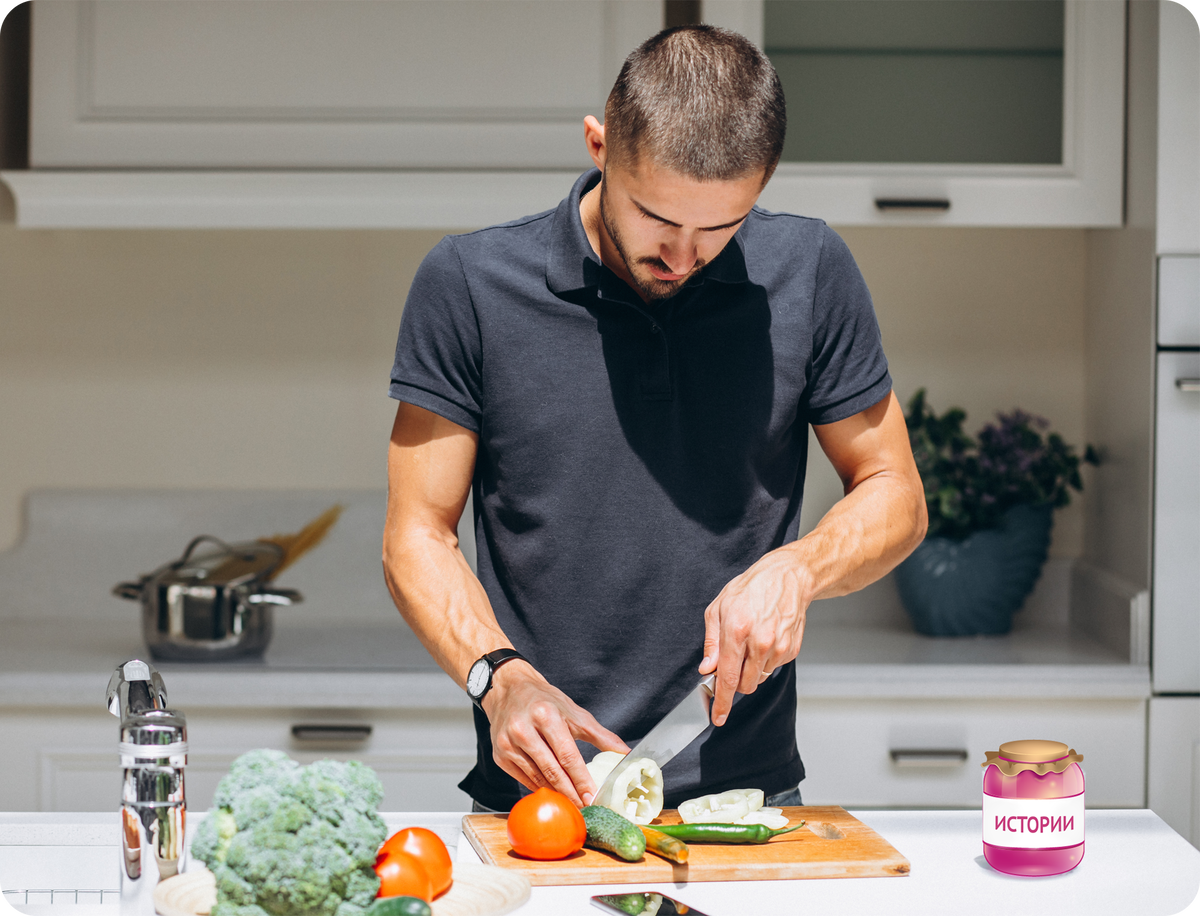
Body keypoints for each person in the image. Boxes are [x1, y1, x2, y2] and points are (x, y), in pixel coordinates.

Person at [383, 25, 927, 813]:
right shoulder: (469, 285)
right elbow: (415, 536)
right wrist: (496, 678)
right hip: (540, 806)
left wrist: (798, 570)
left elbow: (897, 495)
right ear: (598, 146)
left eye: (720, 229)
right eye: (656, 220)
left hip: (748, 805)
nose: (682, 256)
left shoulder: (810, 271)